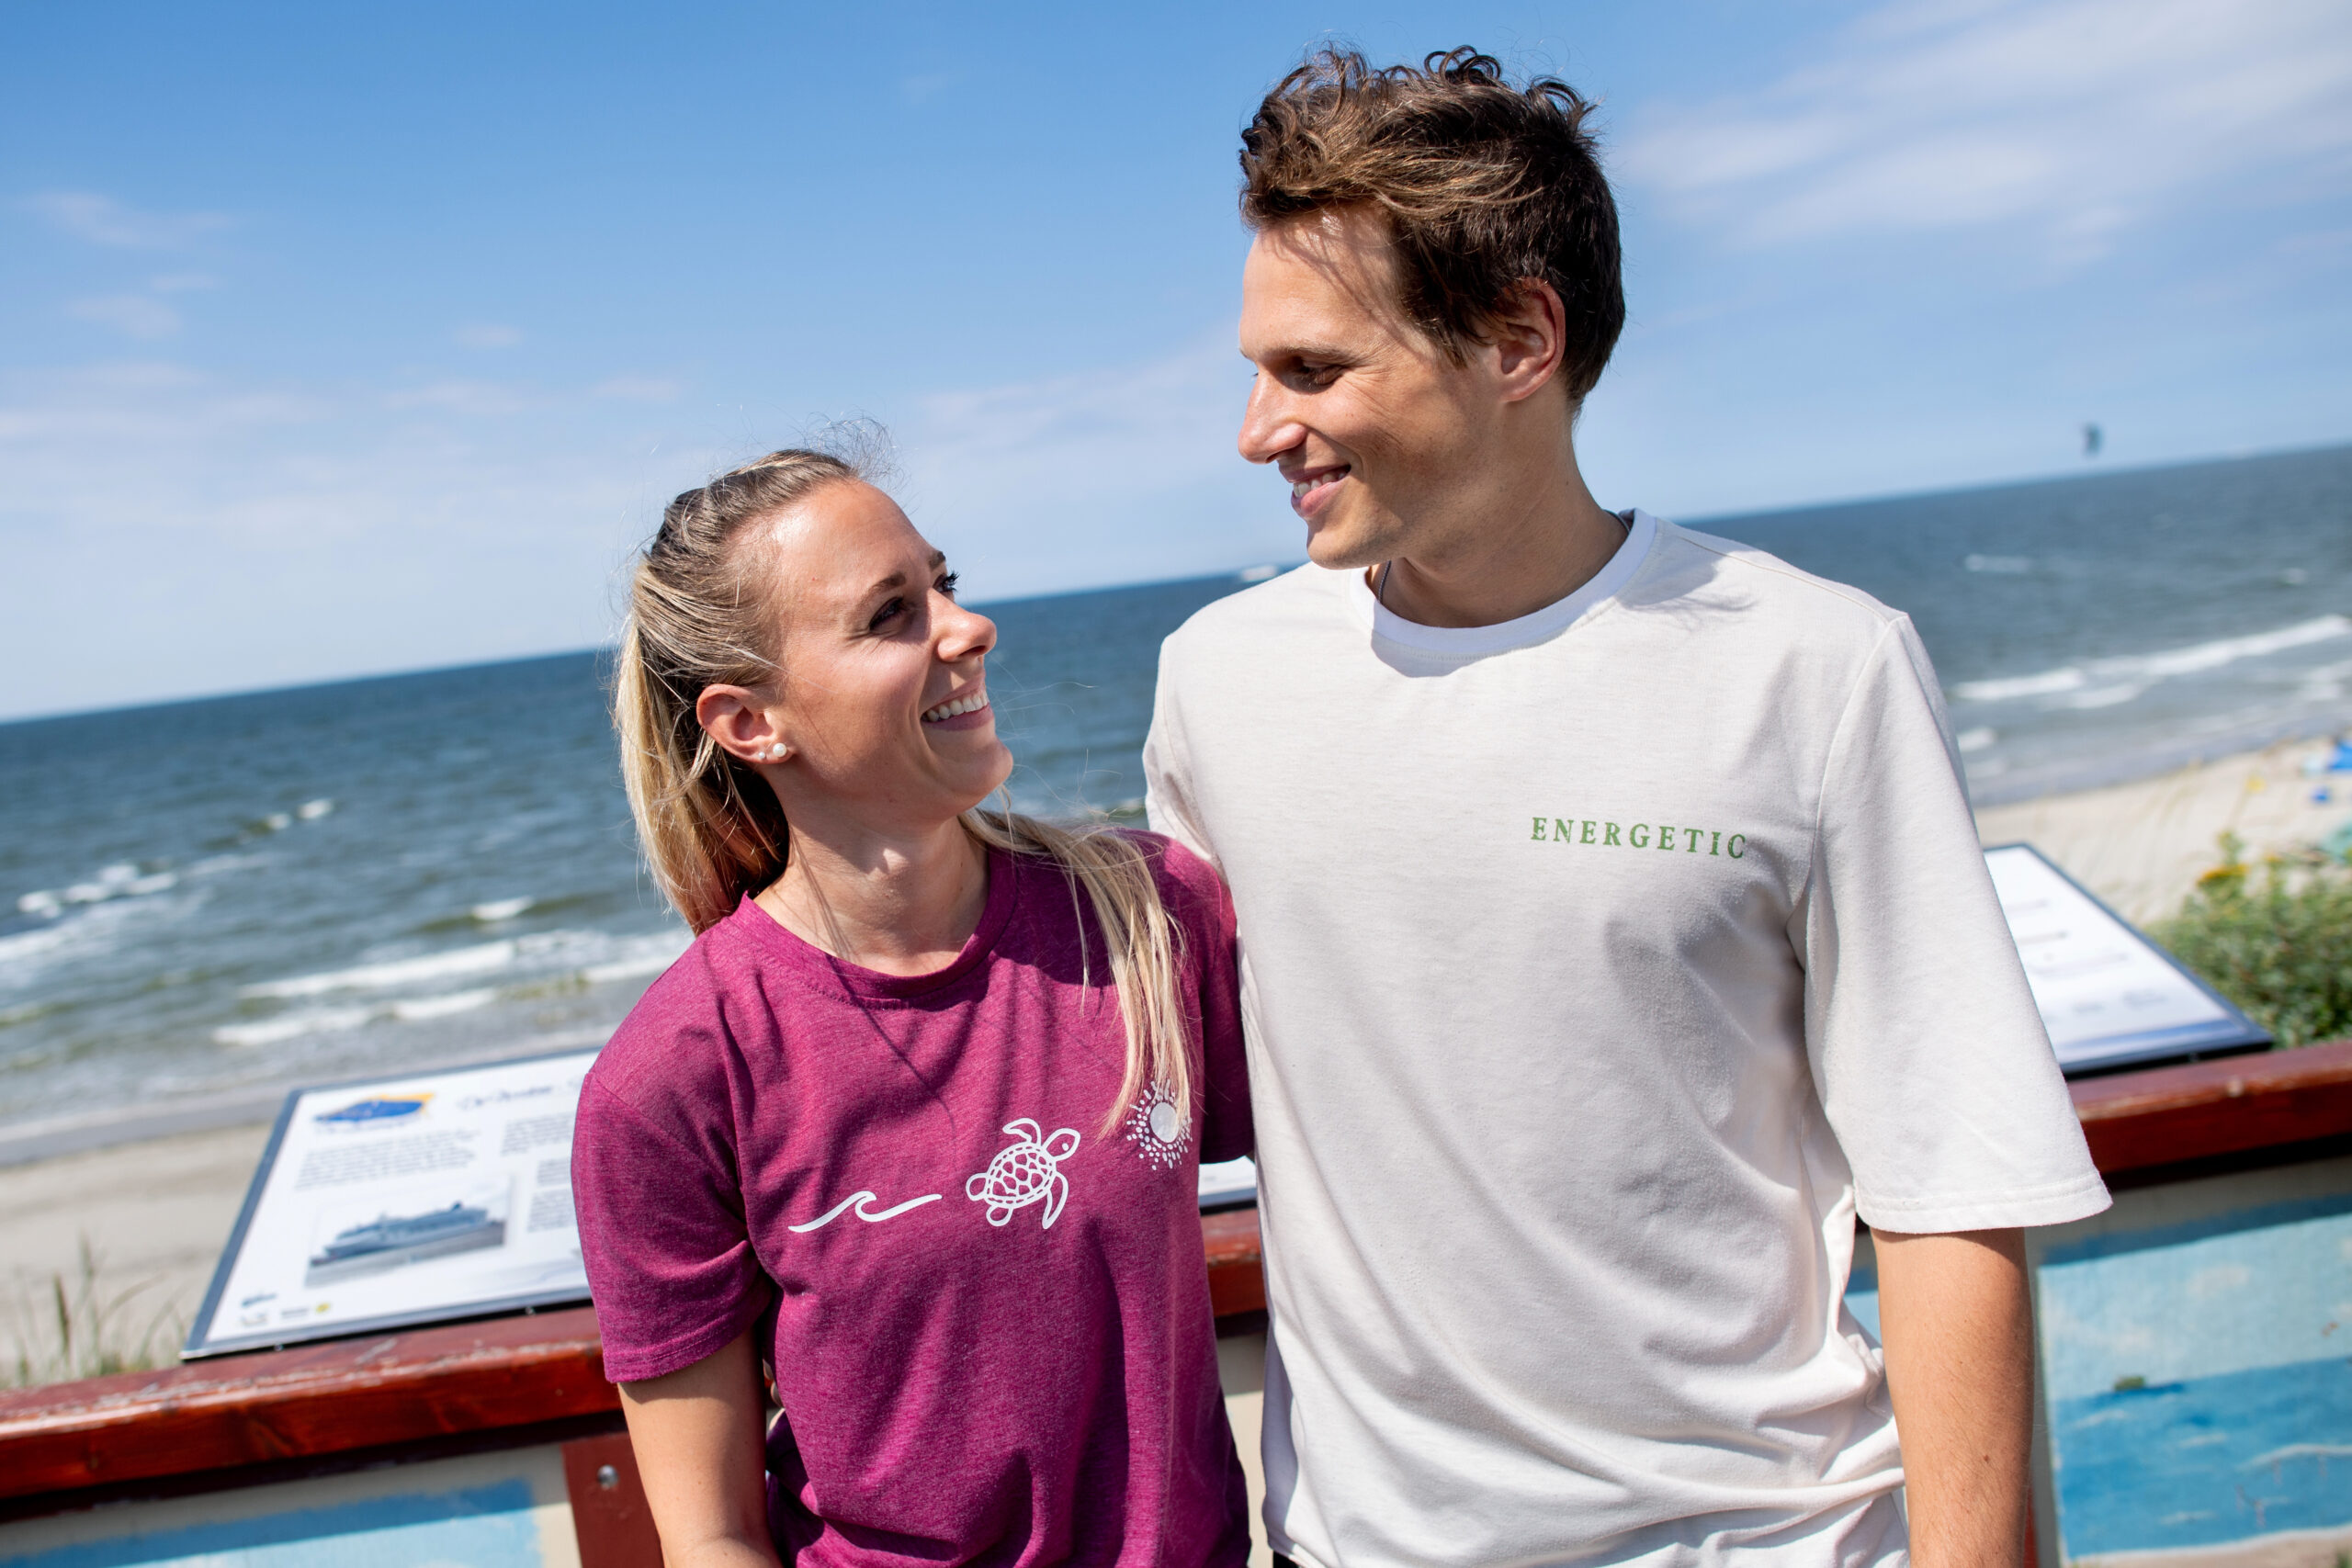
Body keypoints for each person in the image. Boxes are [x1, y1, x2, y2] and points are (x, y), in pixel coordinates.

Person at [1143, 50, 2109, 1568]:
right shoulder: (1217, 684)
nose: (1260, 428)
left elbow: (1953, 1178)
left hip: (1765, 1541)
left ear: (1520, 337)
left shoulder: (1819, 665)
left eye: (1315, 369)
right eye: (1258, 369)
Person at [573, 446, 1253, 1568]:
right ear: (750, 724)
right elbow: (714, 1535)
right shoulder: (676, 1078)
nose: (966, 625)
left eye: (943, 581)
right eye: (893, 613)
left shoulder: (1145, 919)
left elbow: (1374, 1173)